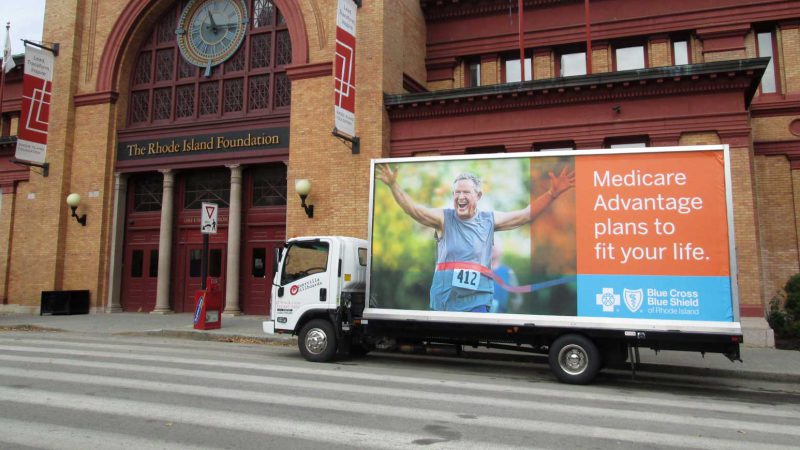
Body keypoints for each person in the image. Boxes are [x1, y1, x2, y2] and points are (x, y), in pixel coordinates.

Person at [376, 163, 574, 312]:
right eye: (457, 192)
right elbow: (414, 210)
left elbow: (524, 215)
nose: (460, 196)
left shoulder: (489, 220)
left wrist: (552, 194)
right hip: (445, 300)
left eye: (466, 192)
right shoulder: (444, 218)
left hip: (477, 302)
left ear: (478, 196)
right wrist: (394, 186)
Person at [489, 239, 523, 313]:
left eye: (495, 246)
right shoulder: (480, 270)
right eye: (491, 245)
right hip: (481, 317)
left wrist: (510, 316)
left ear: (501, 251)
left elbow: (517, 298)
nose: (492, 247)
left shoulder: (508, 272)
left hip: (501, 317)